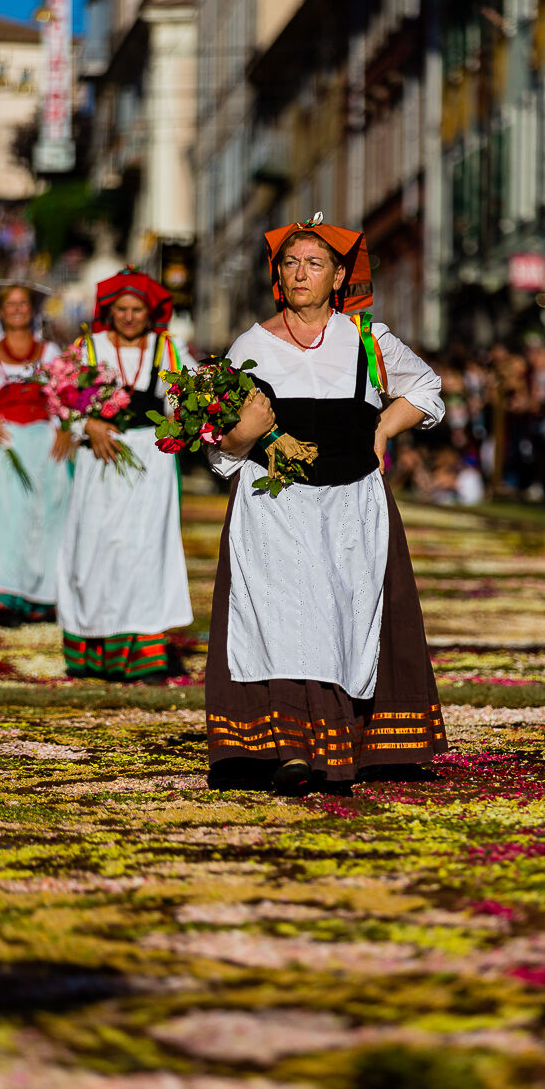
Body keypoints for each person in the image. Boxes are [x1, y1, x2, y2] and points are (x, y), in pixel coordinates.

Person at [205, 214, 448, 796]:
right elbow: (223, 452)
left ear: (339, 275)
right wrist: (249, 431)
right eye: (290, 264)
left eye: (315, 264)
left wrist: (385, 427)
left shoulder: (366, 338)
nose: (300, 274)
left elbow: (427, 389)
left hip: (352, 501)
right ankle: (291, 751)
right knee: (285, 621)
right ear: (277, 275)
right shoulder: (250, 346)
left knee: (343, 618)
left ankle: (349, 745)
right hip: (275, 503)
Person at [56, 268, 194, 682]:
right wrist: (88, 426)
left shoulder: (169, 349)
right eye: (122, 309)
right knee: (95, 547)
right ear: (109, 310)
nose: (130, 317)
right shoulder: (87, 348)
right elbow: (59, 402)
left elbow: (187, 400)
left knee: (146, 549)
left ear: (150, 312)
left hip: (151, 461)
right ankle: (93, 651)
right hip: (99, 459)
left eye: (137, 309)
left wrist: (182, 422)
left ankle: (144, 656)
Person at [0, 281, 72, 627]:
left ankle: (43, 597)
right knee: (3, 522)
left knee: (46, 517)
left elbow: (63, 399)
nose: (16, 309)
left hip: (43, 445)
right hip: (3, 447)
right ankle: (4, 598)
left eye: (22, 304)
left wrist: (64, 429)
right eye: (9, 304)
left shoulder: (50, 352)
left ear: (32, 310)